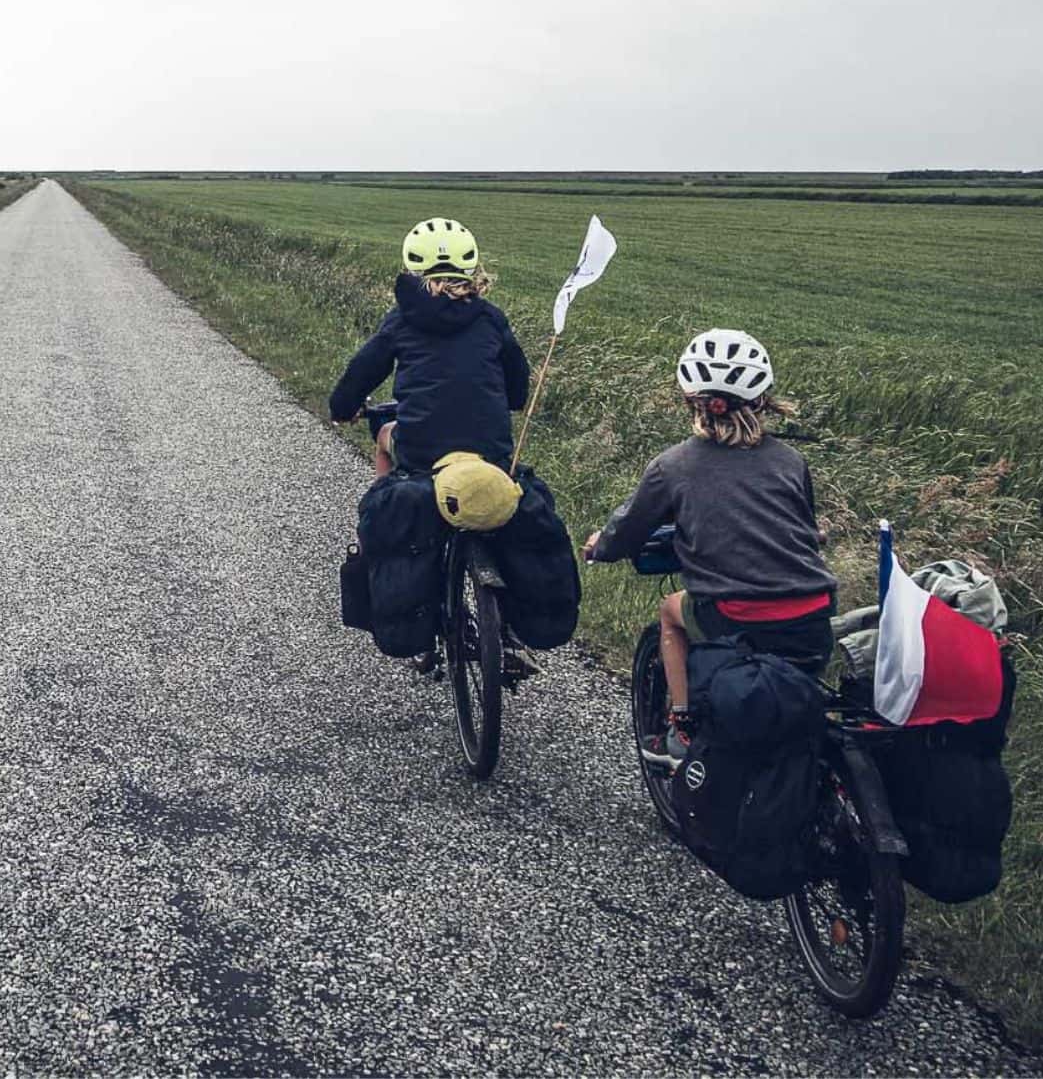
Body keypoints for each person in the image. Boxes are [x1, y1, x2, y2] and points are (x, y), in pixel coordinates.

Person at [582, 329, 835, 754]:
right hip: (812, 616)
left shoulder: (673, 466)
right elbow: (806, 528)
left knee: (670, 611)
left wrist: (600, 547)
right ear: (762, 400)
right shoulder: (792, 460)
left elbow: (628, 530)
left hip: (737, 615)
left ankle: (681, 726)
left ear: (690, 400)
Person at [328, 218, 532, 480]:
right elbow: (517, 392)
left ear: (412, 269)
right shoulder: (492, 319)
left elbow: (363, 370)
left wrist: (343, 408)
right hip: (490, 453)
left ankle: (385, 509)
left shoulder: (401, 320)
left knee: (383, 436)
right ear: (472, 269)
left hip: (420, 453)